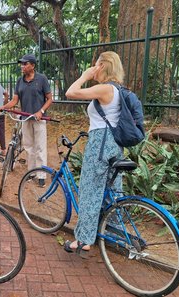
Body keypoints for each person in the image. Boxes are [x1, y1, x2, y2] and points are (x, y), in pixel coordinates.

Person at [64, 51, 125, 256]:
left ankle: (83, 240)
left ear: (104, 66)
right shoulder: (119, 89)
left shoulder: (105, 88)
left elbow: (70, 92)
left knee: (89, 191)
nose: (93, 67)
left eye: (96, 64)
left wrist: (84, 76)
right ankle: (113, 232)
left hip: (100, 142)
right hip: (115, 143)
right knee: (112, 190)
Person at [0, 54, 52, 185]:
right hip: (25, 118)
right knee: (29, 147)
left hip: (39, 119)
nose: (22, 66)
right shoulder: (20, 81)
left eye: (25, 64)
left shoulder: (41, 79)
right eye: (21, 64)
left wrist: (41, 111)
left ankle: (41, 176)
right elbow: (15, 100)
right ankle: (31, 172)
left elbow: (49, 99)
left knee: (40, 147)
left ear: (32, 66)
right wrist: (3, 107)